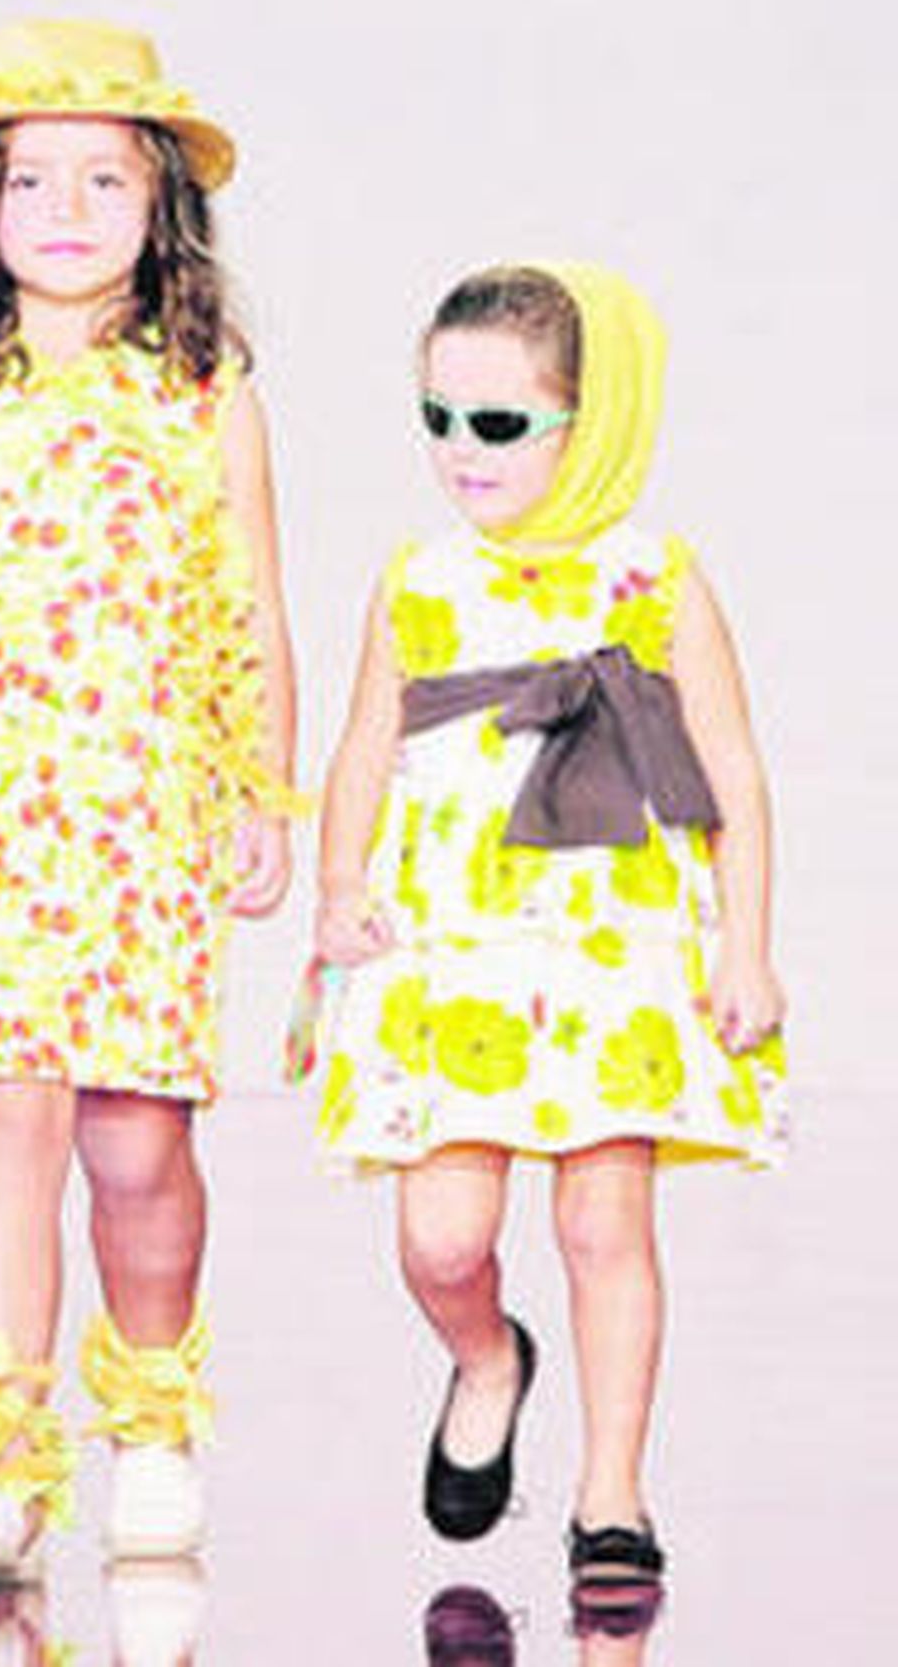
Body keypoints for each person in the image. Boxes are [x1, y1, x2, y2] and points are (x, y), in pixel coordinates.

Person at [0, 20, 300, 1583]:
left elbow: (251, 600)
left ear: (162, 205)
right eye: (31, 180)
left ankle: (153, 1425)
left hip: (142, 817)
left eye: (106, 179)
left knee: (135, 1145)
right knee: (1, 1134)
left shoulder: (200, 394)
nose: (67, 210)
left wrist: (260, 790)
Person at [300, 261, 786, 1600]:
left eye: (502, 423)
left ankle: (611, 1492)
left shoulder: (656, 576)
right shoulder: (418, 579)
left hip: (614, 944)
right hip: (449, 946)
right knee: (441, 1237)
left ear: (596, 418)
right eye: (438, 418)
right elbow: (362, 751)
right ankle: (487, 1356)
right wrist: (337, 885)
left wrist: (747, 946)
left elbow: (736, 774)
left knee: (603, 1220)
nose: (463, 451)